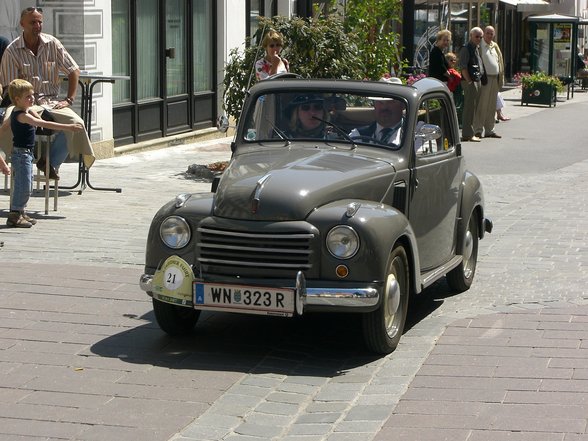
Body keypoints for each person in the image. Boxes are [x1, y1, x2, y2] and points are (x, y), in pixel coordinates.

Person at [0, 7, 94, 180]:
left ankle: (49, 162)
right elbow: (10, 88)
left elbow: (73, 70)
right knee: (7, 124)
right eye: (33, 22)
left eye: (40, 22)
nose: (37, 25)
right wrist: (25, 104)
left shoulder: (52, 43)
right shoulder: (12, 51)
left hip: (51, 101)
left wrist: (69, 99)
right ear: (22, 24)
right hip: (22, 102)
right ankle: (7, 164)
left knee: (77, 124)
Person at [1, 79, 83, 228]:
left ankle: (21, 211)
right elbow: (44, 124)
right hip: (21, 156)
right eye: (28, 97)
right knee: (23, 186)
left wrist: (33, 110)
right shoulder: (22, 116)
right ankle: (14, 215)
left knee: (27, 185)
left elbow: (13, 123)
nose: (32, 98)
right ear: (17, 100)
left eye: (32, 95)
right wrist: (68, 127)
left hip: (26, 155)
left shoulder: (21, 111)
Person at [349, 78, 406, 147]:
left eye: (390, 102)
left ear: (402, 105)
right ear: (374, 105)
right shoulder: (358, 135)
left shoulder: (413, 135)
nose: (384, 107)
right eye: (380, 102)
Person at [473, 26, 504, 139]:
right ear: (483, 34)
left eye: (492, 33)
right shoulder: (479, 46)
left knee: (492, 106)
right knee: (482, 105)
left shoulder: (494, 46)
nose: (490, 35)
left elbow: (500, 61)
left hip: (495, 78)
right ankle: (478, 130)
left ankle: (490, 130)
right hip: (484, 79)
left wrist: (501, 78)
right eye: (487, 33)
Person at [458, 27, 484, 142]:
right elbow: (463, 67)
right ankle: (467, 134)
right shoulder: (466, 48)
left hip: (476, 81)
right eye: (476, 36)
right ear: (471, 36)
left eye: (480, 37)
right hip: (470, 82)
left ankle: (470, 132)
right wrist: (469, 82)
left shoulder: (476, 48)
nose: (479, 39)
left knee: (473, 108)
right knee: (469, 108)